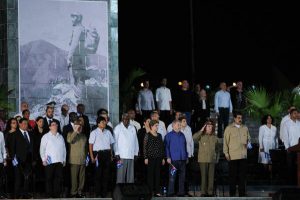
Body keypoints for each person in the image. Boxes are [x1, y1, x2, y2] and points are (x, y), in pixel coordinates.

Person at [223, 112, 250, 197]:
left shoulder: (245, 128)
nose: (240, 119)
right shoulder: (229, 128)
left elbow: (249, 139)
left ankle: (242, 194)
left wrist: (248, 143)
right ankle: (232, 194)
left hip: (243, 156)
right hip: (233, 156)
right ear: (234, 118)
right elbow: (225, 142)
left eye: (241, 118)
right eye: (238, 118)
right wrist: (226, 153)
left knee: (242, 177)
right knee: (233, 177)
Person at [89, 116, 114, 198]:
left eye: (105, 122)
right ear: (98, 123)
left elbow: (110, 145)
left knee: (106, 175)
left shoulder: (108, 132)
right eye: (102, 122)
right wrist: (92, 157)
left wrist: (111, 155)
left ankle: (104, 193)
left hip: (107, 154)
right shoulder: (94, 132)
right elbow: (90, 146)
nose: (104, 123)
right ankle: (98, 193)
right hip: (98, 155)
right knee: (98, 174)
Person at [40, 121, 66, 198]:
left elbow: (64, 149)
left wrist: (64, 160)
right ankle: (49, 195)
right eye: (53, 125)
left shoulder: (60, 136)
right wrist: (43, 159)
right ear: (49, 127)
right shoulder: (46, 136)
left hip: (59, 161)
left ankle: (56, 195)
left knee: (57, 179)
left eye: (56, 125)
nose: (55, 126)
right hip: (49, 161)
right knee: (49, 179)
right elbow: (42, 149)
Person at [193, 119, 218, 197]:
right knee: (204, 176)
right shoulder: (201, 136)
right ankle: (203, 192)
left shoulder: (215, 137)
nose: (210, 128)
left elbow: (218, 149)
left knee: (211, 177)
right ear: (205, 127)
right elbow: (194, 138)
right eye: (208, 126)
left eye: (211, 126)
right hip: (203, 159)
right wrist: (201, 130)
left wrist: (216, 158)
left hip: (212, 160)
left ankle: (210, 192)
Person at [11, 118, 34, 198]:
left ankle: (25, 194)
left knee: (27, 178)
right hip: (18, 160)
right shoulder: (15, 134)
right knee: (18, 178)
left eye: (26, 123)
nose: (25, 125)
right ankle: (17, 195)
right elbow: (12, 148)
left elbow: (32, 147)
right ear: (19, 124)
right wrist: (14, 160)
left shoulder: (30, 133)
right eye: (24, 123)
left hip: (28, 160)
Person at [165, 119, 188, 197]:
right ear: (173, 125)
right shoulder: (168, 135)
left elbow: (185, 146)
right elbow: (166, 147)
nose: (179, 126)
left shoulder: (182, 135)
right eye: (178, 125)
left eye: (180, 125)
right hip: (173, 160)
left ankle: (181, 192)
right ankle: (170, 192)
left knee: (182, 177)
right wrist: (168, 157)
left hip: (182, 160)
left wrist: (186, 156)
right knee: (172, 177)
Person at [114, 113, 139, 183]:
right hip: (121, 156)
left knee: (130, 176)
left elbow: (135, 141)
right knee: (120, 175)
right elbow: (114, 142)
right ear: (122, 119)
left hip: (131, 155)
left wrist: (136, 153)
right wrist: (116, 153)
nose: (127, 120)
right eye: (125, 119)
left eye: (128, 119)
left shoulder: (133, 128)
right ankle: (119, 191)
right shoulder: (118, 128)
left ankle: (129, 191)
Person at [144, 120, 165, 197]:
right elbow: (145, 147)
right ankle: (150, 191)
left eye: (157, 125)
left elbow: (161, 147)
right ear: (151, 126)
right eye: (156, 125)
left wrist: (163, 158)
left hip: (158, 158)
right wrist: (145, 157)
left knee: (157, 175)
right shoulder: (148, 135)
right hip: (150, 158)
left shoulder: (159, 135)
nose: (157, 127)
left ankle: (157, 191)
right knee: (150, 175)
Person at [67, 119, 87, 198]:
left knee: (82, 178)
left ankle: (80, 192)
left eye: (81, 126)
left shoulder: (84, 136)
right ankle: (73, 192)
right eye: (78, 126)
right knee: (74, 178)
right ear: (74, 127)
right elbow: (69, 140)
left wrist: (86, 157)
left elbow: (85, 148)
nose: (80, 127)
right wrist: (75, 131)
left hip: (82, 159)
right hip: (74, 160)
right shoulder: (70, 134)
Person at [67, 12, 85, 86]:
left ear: (78, 18)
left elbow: (74, 44)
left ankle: (78, 95)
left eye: (73, 17)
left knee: (75, 81)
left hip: (75, 57)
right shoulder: (82, 28)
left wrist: (69, 57)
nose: (71, 19)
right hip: (80, 57)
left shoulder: (78, 29)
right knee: (80, 79)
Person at [0, 130, 7, 199]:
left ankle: (1, 194)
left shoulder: (1, 134)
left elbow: (3, 147)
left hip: (0, 160)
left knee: (1, 179)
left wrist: (4, 158)